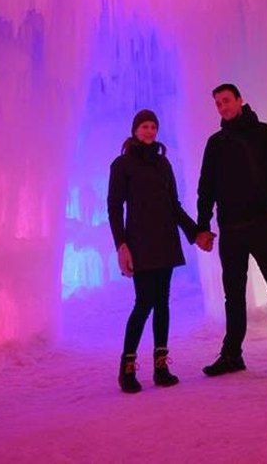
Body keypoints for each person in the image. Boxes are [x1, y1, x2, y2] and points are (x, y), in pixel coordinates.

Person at [196, 83, 267, 381]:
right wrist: (202, 226)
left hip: (261, 224)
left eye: (226, 101)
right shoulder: (216, 143)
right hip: (230, 230)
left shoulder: (265, 134)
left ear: (240, 100)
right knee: (233, 294)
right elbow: (206, 189)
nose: (222, 107)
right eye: (218, 104)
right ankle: (232, 354)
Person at [107, 109, 206, 393]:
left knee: (162, 302)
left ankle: (161, 366)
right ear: (135, 130)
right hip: (140, 242)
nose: (150, 131)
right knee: (144, 303)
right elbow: (114, 207)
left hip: (164, 240)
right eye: (144, 126)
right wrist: (121, 244)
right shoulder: (123, 164)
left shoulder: (163, 164)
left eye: (153, 127)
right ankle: (127, 368)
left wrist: (194, 231)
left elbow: (173, 205)